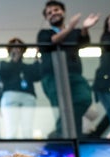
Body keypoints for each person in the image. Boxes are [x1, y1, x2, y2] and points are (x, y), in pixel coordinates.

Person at [37, 1, 97, 138]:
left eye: (56, 10)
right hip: (52, 76)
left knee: (84, 98)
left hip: (74, 74)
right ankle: (71, 136)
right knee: (61, 108)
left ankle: (60, 133)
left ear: (63, 12)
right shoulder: (44, 33)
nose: (53, 13)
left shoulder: (75, 32)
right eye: (49, 13)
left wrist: (85, 28)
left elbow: (84, 42)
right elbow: (52, 41)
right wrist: (70, 27)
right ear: (46, 18)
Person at [0, 38, 42, 139]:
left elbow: (37, 75)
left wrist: (37, 58)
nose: (16, 49)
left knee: (27, 131)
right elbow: (2, 75)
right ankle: (10, 154)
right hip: (10, 96)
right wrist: (15, 60)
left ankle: (26, 154)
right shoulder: (4, 65)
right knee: (11, 130)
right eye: (14, 47)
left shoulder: (28, 67)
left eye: (19, 47)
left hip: (28, 97)